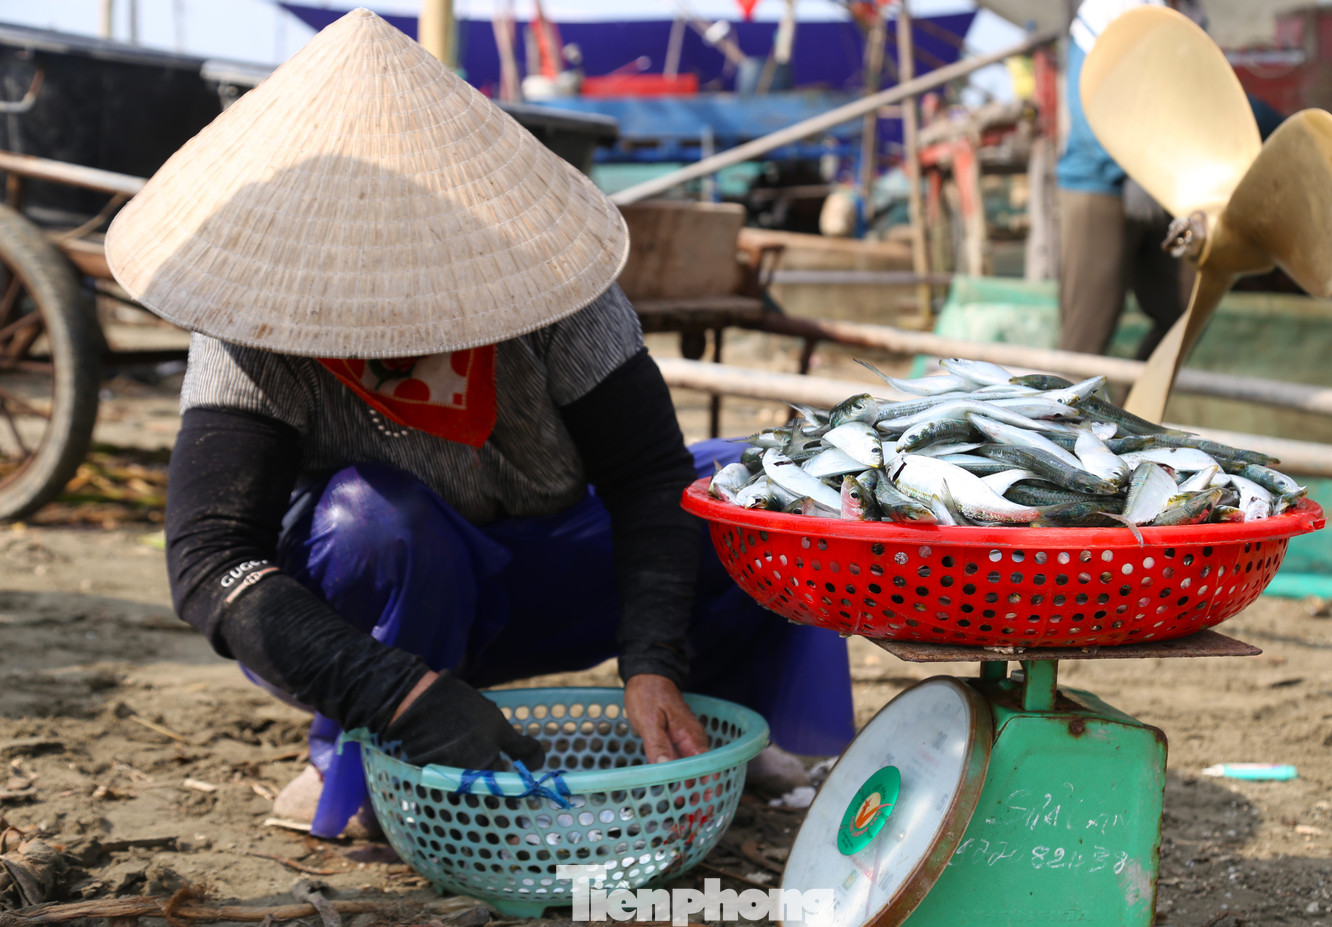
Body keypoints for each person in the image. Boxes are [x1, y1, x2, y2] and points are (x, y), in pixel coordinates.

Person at [104, 9, 855, 840]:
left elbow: (648, 480)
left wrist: (651, 664)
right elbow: (210, 561)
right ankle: (353, 754)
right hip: (379, 596)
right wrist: (397, 695)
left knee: (760, 486)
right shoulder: (254, 325)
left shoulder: (551, 289)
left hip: (547, 570)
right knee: (376, 520)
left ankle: (711, 727)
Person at [1056, 0, 1203, 360]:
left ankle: (1133, 410)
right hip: (1100, 183)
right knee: (1087, 332)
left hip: (1164, 184)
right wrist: (1131, 169)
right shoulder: (1111, 7)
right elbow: (1085, 100)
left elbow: (1198, 99)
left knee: (1184, 311)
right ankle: (1053, 415)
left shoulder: (1191, 12)